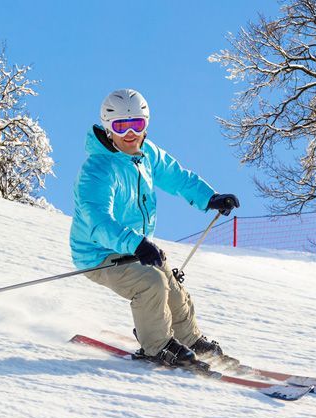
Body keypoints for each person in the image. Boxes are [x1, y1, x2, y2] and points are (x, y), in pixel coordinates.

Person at [70, 88, 240, 367]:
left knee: (171, 285)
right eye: (120, 126)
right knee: (151, 284)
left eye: (136, 125)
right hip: (98, 252)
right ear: (107, 128)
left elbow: (176, 176)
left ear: (145, 126)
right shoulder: (97, 170)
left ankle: (189, 339)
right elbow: (97, 220)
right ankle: (157, 346)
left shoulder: (146, 154)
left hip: (136, 246)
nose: (129, 134)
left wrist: (209, 198)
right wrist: (135, 244)